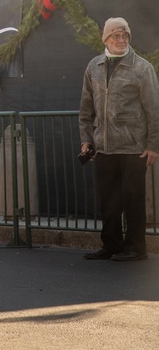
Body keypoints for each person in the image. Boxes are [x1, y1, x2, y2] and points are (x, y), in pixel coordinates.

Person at [79, 18, 159, 262]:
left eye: (125, 36)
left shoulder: (142, 68)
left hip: (133, 148)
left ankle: (136, 248)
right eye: (115, 36)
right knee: (109, 201)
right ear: (106, 39)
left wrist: (153, 146)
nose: (121, 40)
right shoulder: (93, 67)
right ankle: (111, 245)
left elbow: (154, 110)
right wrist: (86, 140)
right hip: (104, 147)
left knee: (133, 200)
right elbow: (85, 109)